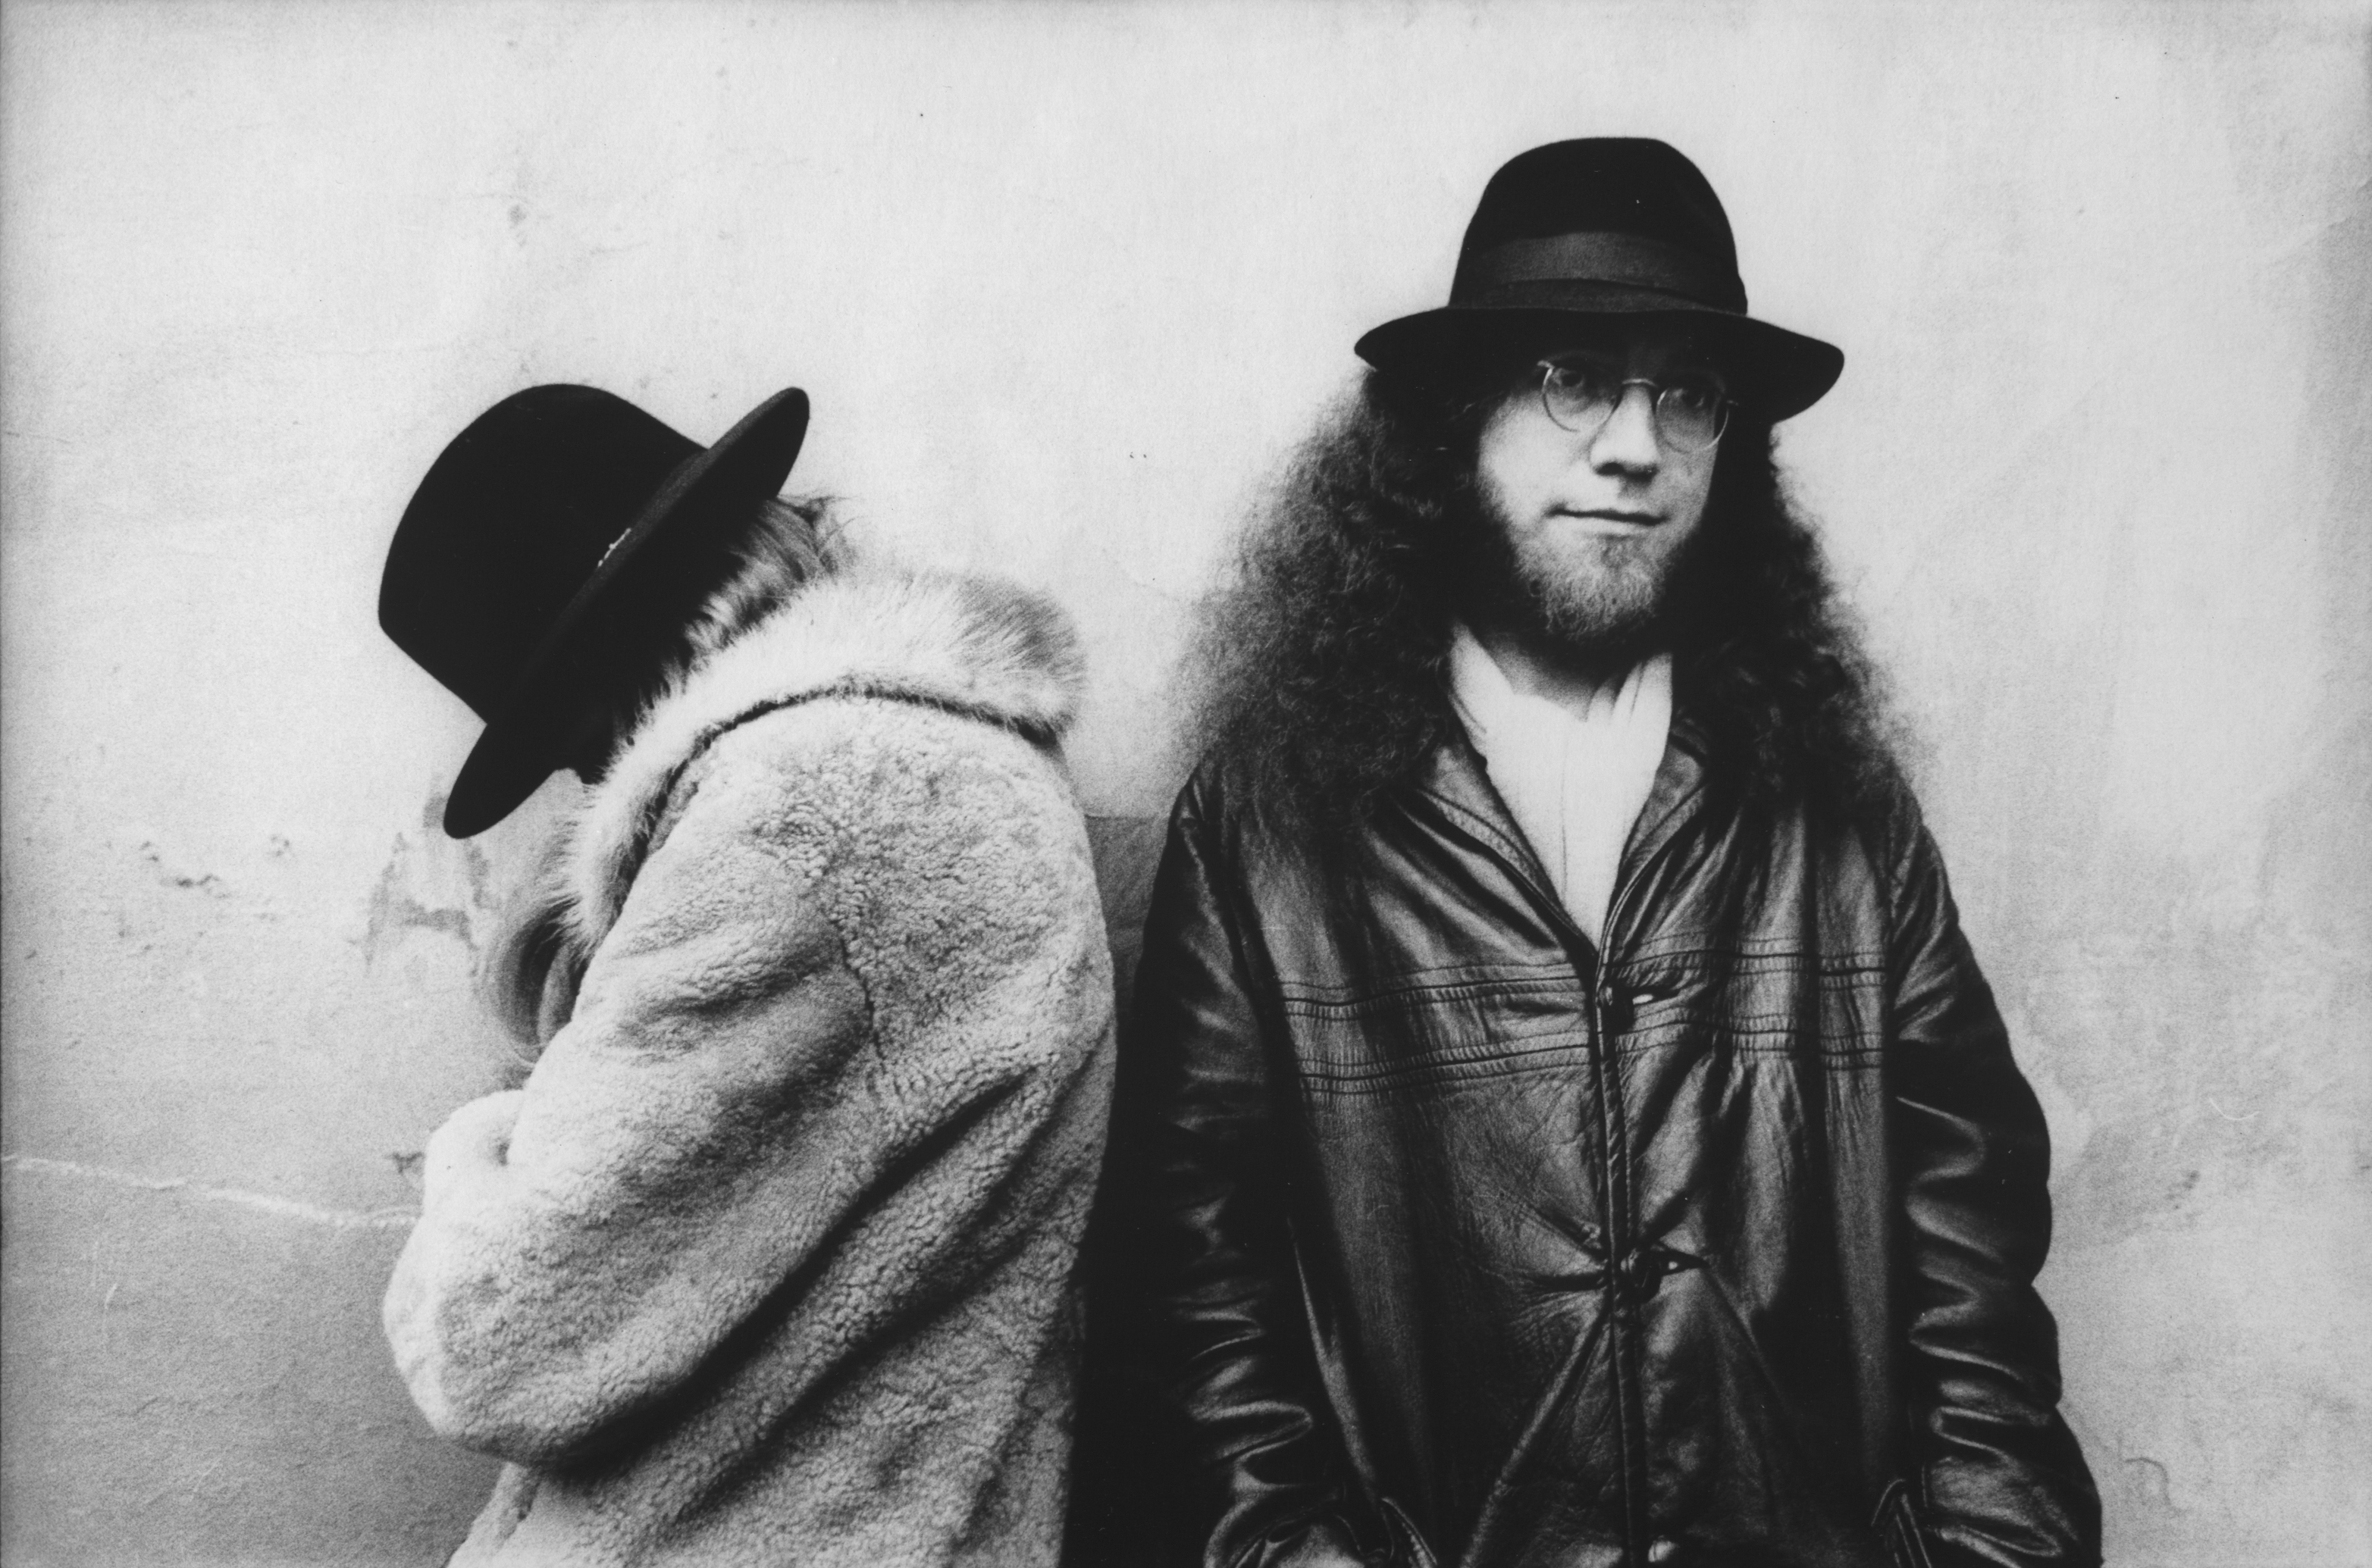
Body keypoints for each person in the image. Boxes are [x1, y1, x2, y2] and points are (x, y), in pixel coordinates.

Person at [1081, 140, 2100, 1568]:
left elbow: (1970, 1280)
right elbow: (1198, 1309)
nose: (1634, 444)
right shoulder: (1266, 827)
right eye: (1572, 376)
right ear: (1455, 423)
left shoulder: (1841, 819)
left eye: (1687, 393)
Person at [376, 383, 1114, 1565]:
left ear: (622, 666)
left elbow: (497, 1343)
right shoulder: (949, 761)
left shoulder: (793, 820)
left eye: (567, 729)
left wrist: (489, 1140)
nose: (587, 775)